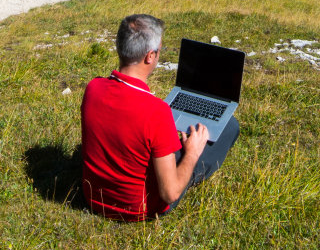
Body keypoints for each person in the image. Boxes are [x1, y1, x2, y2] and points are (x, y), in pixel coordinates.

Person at [80, 13, 239, 220]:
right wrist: (191, 152)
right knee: (230, 127)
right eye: (159, 50)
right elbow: (169, 194)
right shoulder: (156, 111)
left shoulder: (93, 88)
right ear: (150, 56)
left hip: (93, 198)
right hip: (140, 209)